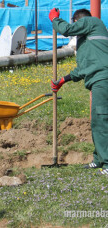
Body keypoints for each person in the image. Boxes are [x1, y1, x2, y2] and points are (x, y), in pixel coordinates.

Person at [49, 8, 108, 175]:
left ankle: (107, 164)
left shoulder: (92, 21)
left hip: (103, 80)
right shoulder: (89, 43)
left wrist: (55, 20)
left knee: (102, 121)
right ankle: (98, 159)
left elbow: (66, 30)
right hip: (99, 79)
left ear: (78, 22)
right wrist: (63, 80)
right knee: (98, 121)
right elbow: (83, 69)